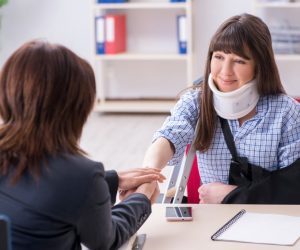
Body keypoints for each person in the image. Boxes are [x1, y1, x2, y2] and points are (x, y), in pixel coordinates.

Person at [0, 40, 165, 250]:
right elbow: (105, 240)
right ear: (74, 109)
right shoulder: (80, 176)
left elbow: (36, 190)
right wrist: (140, 198)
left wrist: (110, 180)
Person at [143, 13, 300, 204]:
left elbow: (291, 187)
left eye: (239, 61)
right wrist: (148, 177)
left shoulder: (287, 112)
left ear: (260, 65)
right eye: (219, 57)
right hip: (212, 220)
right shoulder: (197, 101)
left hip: (268, 220)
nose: (225, 71)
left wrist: (232, 196)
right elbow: (168, 136)